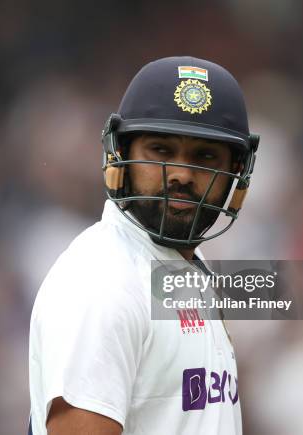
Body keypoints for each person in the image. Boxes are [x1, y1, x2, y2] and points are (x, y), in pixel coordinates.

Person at [28, 56, 260, 435]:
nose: (182, 175)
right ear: (122, 156)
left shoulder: (185, 265)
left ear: (236, 172)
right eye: (161, 150)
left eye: (205, 156)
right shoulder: (102, 284)